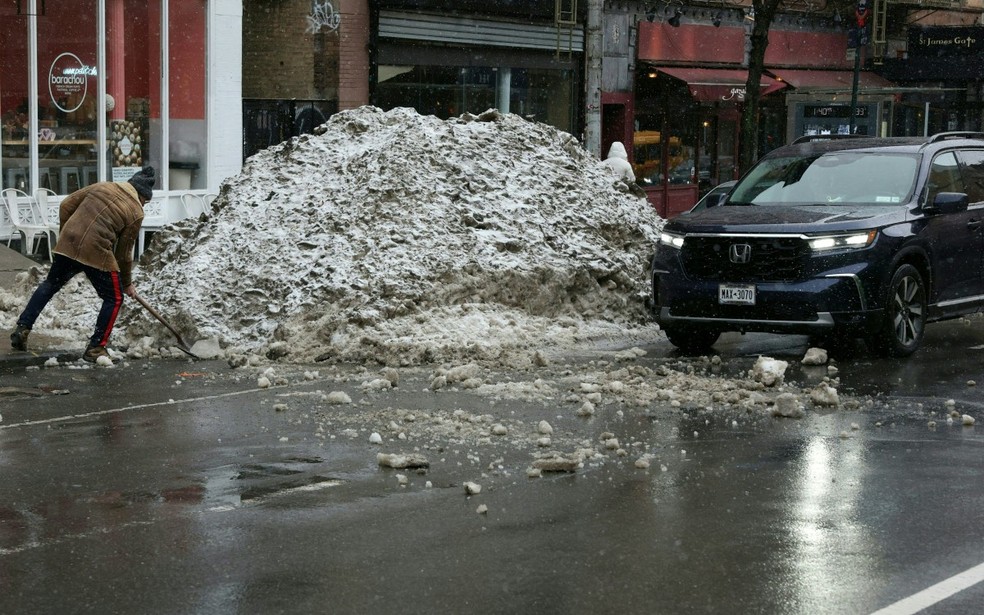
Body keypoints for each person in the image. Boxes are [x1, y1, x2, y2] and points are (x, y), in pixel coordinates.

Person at [9, 166, 155, 363]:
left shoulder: (102, 186)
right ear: (141, 195)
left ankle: (23, 328)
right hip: (96, 252)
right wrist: (127, 282)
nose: (144, 205)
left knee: (51, 284)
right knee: (115, 297)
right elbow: (124, 254)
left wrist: (68, 233)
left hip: (68, 243)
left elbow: (66, 206)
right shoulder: (136, 211)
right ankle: (96, 348)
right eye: (145, 201)